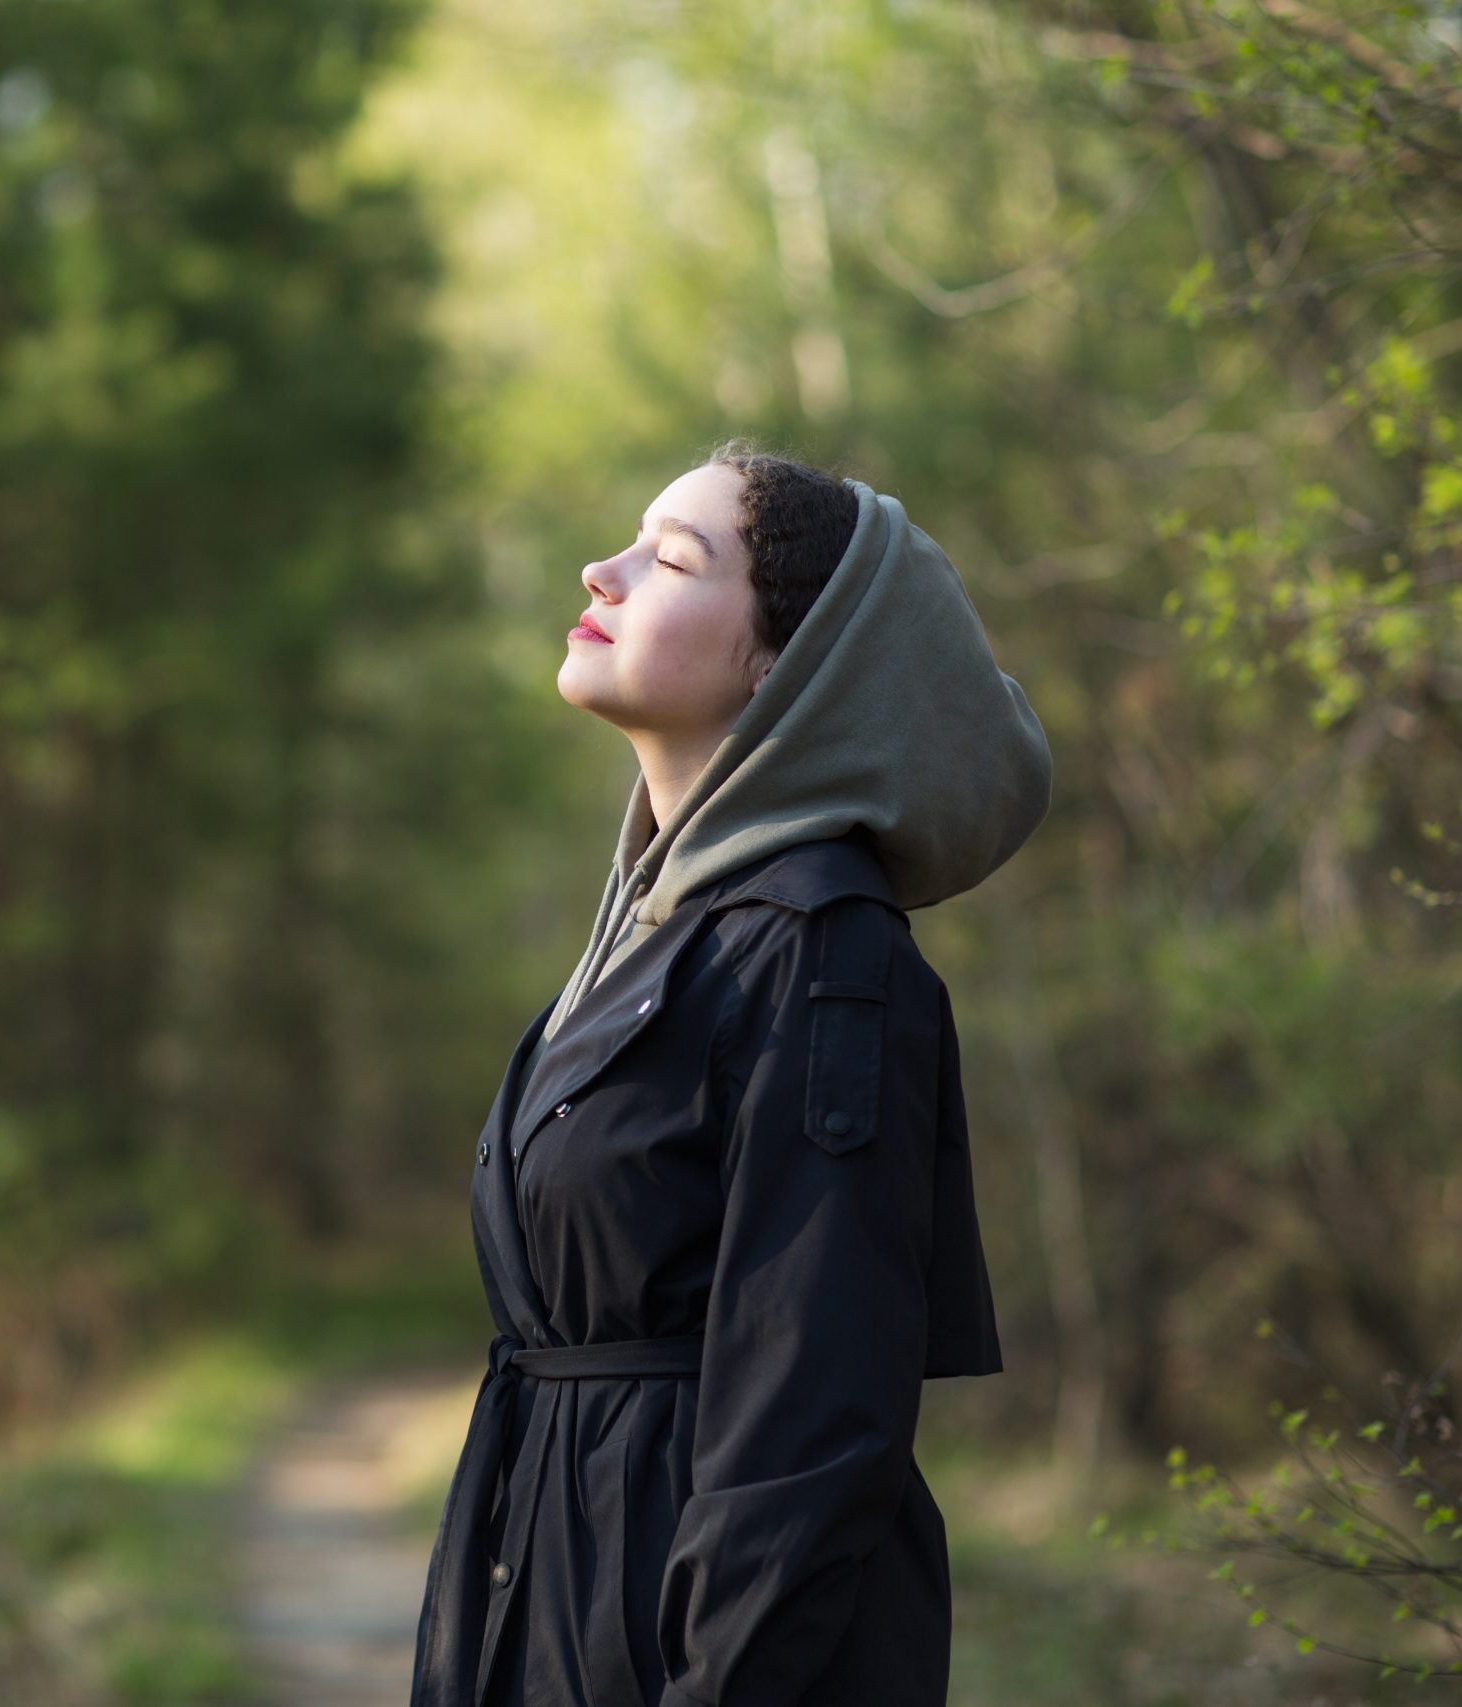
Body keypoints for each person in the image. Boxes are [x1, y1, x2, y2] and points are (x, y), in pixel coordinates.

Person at [408, 439, 1052, 1707]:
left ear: (782, 664)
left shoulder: (821, 956)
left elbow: (813, 1419)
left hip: (697, 1637)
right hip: (568, 1597)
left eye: (672, 557)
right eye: (629, 540)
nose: (604, 569)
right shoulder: (654, 941)